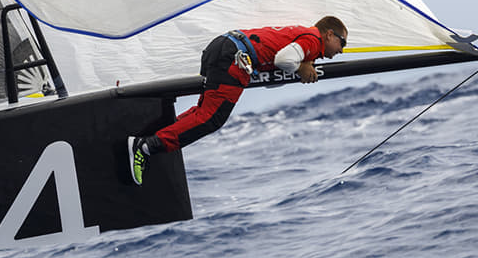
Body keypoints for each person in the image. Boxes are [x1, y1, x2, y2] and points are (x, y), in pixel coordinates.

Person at [127, 16, 348, 185]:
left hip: (223, 47)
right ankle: (146, 146)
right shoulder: (313, 39)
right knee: (211, 118)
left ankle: (148, 137)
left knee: (202, 112)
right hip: (233, 57)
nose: (342, 50)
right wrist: (299, 67)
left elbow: (273, 74)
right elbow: (284, 59)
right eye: (342, 43)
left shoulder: (303, 37)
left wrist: (299, 69)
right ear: (329, 34)